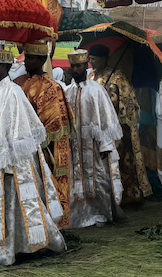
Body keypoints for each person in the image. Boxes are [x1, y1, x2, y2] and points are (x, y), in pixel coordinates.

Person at [0, 47, 65, 265]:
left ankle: (30, 245)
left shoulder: (13, 92)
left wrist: (6, 158)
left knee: (21, 204)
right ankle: (11, 247)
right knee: (6, 207)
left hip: (14, 163)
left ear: (4, 68)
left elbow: (19, 131)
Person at [13, 41, 75, 229]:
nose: (26, 62)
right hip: (25, 145)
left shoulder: (51, 87)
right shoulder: (21, 83)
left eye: (31, 58)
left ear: (41, 60)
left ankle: (54, 224)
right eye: (26, 57)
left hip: (46, 147)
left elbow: (55, 121)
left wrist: (32, 114)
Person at [64, 50, 124, 227]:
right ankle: (80, 215)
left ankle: (101, 213)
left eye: (79, 66)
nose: (76, 69)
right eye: (73, 66)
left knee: (98, 178)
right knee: (77, 179)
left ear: (86, 66)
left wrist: (106, 144)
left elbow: (106, 119)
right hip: (76, 146)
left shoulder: (96, 90)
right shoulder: (68, 92)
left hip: (95, 146)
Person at [89, 45, 152, 205]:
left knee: (122, 164)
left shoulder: (118, 78)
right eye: (90, 58)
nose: (92, 62)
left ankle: (127, 196)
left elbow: (130, 103)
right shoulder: (91, 77)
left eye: (94, 59)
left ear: (104, 58)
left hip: (117, 129)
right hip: (96, 130)